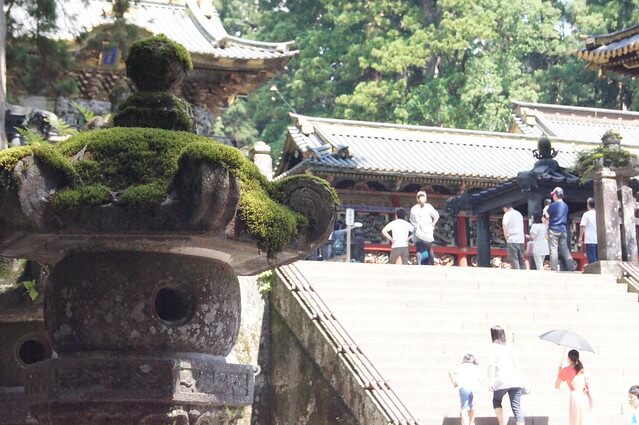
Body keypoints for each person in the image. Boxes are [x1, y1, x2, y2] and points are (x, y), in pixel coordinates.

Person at [488, 326, 526, 425]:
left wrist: (491, 381)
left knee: (496, 400)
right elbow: (518, 365)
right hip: (516, 381)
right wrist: (523, 381)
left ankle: (501, 423)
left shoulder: (493, 347)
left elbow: (491, 365)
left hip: (502, 380)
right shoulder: (510, 347)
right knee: (516, 406)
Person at [555, 349, 596, 425]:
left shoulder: (565, 370)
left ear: (568, 358)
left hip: (574, 397)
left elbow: (557, 386)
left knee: (574, 422)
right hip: (584, 398)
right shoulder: (582, 370)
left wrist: (560, 372)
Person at [545, 187, 576, 271]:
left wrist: (545, 210)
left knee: (553, 249)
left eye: (553, 195)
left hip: (554, 229)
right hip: (563, 229)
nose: (552, 197)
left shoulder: (553, 205)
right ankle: (571, 266)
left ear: (555, 195)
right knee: (565, 249)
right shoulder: (565, 206)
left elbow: (547, 215)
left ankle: (554, 268)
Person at [449, 354, 482, 425]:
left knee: (464, 407)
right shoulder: (475, 367)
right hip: (475, 388)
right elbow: (480, 379)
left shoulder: (460, 366)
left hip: (464, 387)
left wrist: (454, 382)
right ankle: (471, 422)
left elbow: (450, 371)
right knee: (472, 407)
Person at [410, 191, 439, 265]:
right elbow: (436, 216)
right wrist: (433, 224)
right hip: (427, 230)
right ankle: (431, 264)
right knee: (429, 249)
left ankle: (419, 265)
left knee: (419, 249)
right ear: (425, 198)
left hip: (417, 231)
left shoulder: (414, 208)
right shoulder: (428, 207)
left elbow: (411, 221)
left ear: (417, 199)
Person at [502, 203, 526, 269]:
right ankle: (524, 273)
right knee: (522, 259)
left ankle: (517, 274)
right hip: (520, 239)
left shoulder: (507, 214)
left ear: (505, 208)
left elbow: (505, 225)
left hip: (512, 239)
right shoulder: (519, 214)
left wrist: (506, 236)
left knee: (514, 259)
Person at [579, 197, 598, 264]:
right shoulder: (599, 214)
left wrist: (580, 237)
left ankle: (594, 272)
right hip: (599, 240)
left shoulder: (586, 214)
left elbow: (582, 226)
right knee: (599, 259)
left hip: (590, 240)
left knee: (592, 260)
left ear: (588, 205)